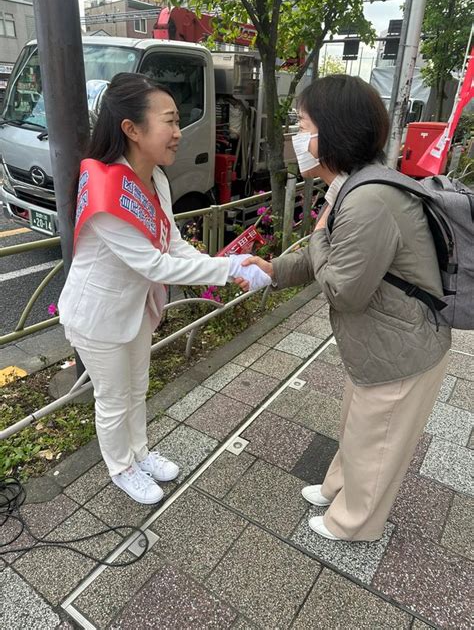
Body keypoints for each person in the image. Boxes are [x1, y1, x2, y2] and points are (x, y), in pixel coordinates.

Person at [241, 75, 451, 542]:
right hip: (381, 342)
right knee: (358, 425)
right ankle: (338, 485)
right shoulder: (351, 186)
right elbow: (326, 259)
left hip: (401, 348)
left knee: (376, 441)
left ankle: (356, 523)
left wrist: (316, 237)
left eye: (302, 124)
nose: (297, 137)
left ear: (332, 133)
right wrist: (273, 269)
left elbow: (341, 290)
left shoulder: (368, 199)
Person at [58, 73, 270, 505]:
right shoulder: (105, 188)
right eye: (170, 122)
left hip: (133, 308)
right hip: (98, 316)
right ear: (132, 130)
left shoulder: (155, 179)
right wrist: (229, 269)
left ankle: (138, 453)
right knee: (114, 399)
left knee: (136, 388)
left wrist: (226, 264)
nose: (179, 133)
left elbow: (171, 243)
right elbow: (154, 263)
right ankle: (121, 469)